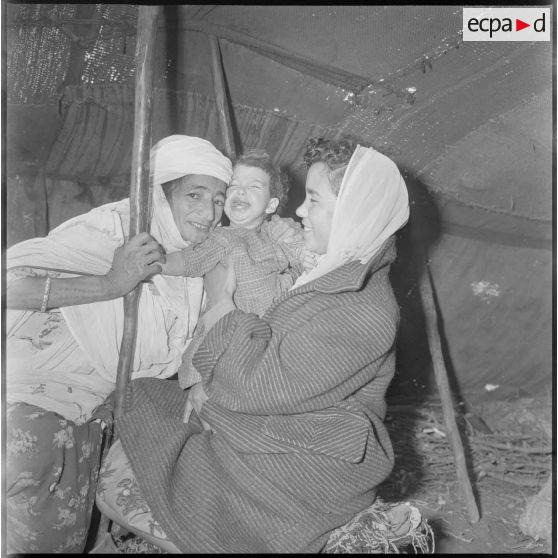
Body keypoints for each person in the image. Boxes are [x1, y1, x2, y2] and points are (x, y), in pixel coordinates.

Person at [98, 137, 410, 553]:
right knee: (144, 396)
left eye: (313, 200)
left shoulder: (361, 309)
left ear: (354, 211)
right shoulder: (339, 276)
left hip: (298, 475)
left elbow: (258, 388)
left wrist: (223, 306)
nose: (299, 210)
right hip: (282, 433)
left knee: (127, 475)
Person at [4, 134, 233, 553]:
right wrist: (110, 283)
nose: (208, 212)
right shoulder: (116, 229)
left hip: (88, 420)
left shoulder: (192, 263)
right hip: (23, 405)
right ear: (162, 196)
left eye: (219, 199)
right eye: (194, 195)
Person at [162, 149, 306, 389]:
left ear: (271, 205)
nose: (241, 191)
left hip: (273, 336)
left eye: (254, 187)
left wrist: (296, 243)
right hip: (229, 340)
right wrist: (155, 262)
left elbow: (308, 260)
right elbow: (189, 261)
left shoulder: (277, 233)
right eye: (234, 185)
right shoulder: (222, 237)